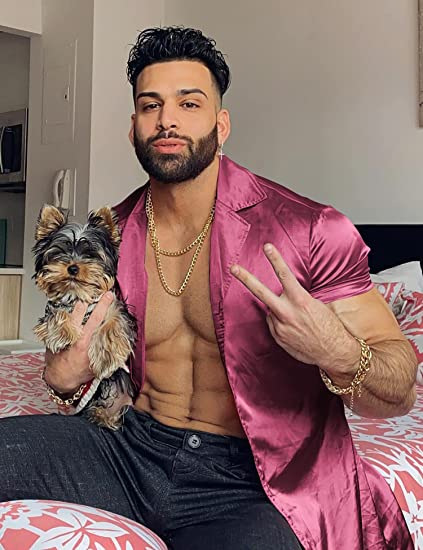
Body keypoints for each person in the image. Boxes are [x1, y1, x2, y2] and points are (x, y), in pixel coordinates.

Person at [0, 26, 417, 550]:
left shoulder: (310, 229)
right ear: (133, 128)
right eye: (150, 105)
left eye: (189, 103)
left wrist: (334, 349)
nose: (167, 119)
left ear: (221, 126)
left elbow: (400, 392)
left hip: (252, 479)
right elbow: (78, 356)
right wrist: (63, 379)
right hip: (129, 449)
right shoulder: (112, 237)